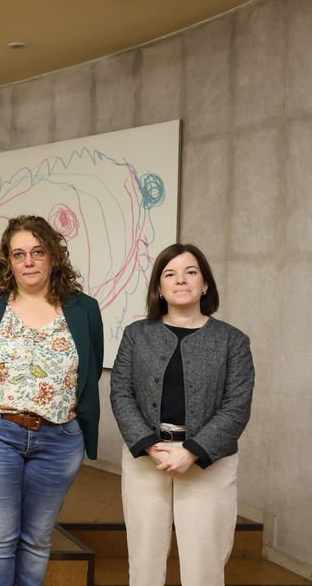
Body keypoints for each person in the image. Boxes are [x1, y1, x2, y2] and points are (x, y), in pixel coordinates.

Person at [0, 214, 103, 586]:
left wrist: (84, 432)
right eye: (18, 254)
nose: (28, 261)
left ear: (53, 256)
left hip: (60, 440)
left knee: (38, 538)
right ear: (7, 262)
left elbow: (88, 374)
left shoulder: (84, 309)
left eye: (37, 252)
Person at [110, 244, 254, 586]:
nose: (181, 281)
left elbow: (237, 405)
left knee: (204, 566)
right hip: (148, 459)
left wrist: (192, 451)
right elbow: (120, 392)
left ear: (205, 284)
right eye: (170, 274)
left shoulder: (232, 340)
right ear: (159, 288)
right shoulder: (136, 335)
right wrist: (148, 445)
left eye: (191, 272)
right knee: (143, 564)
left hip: (208, 463)